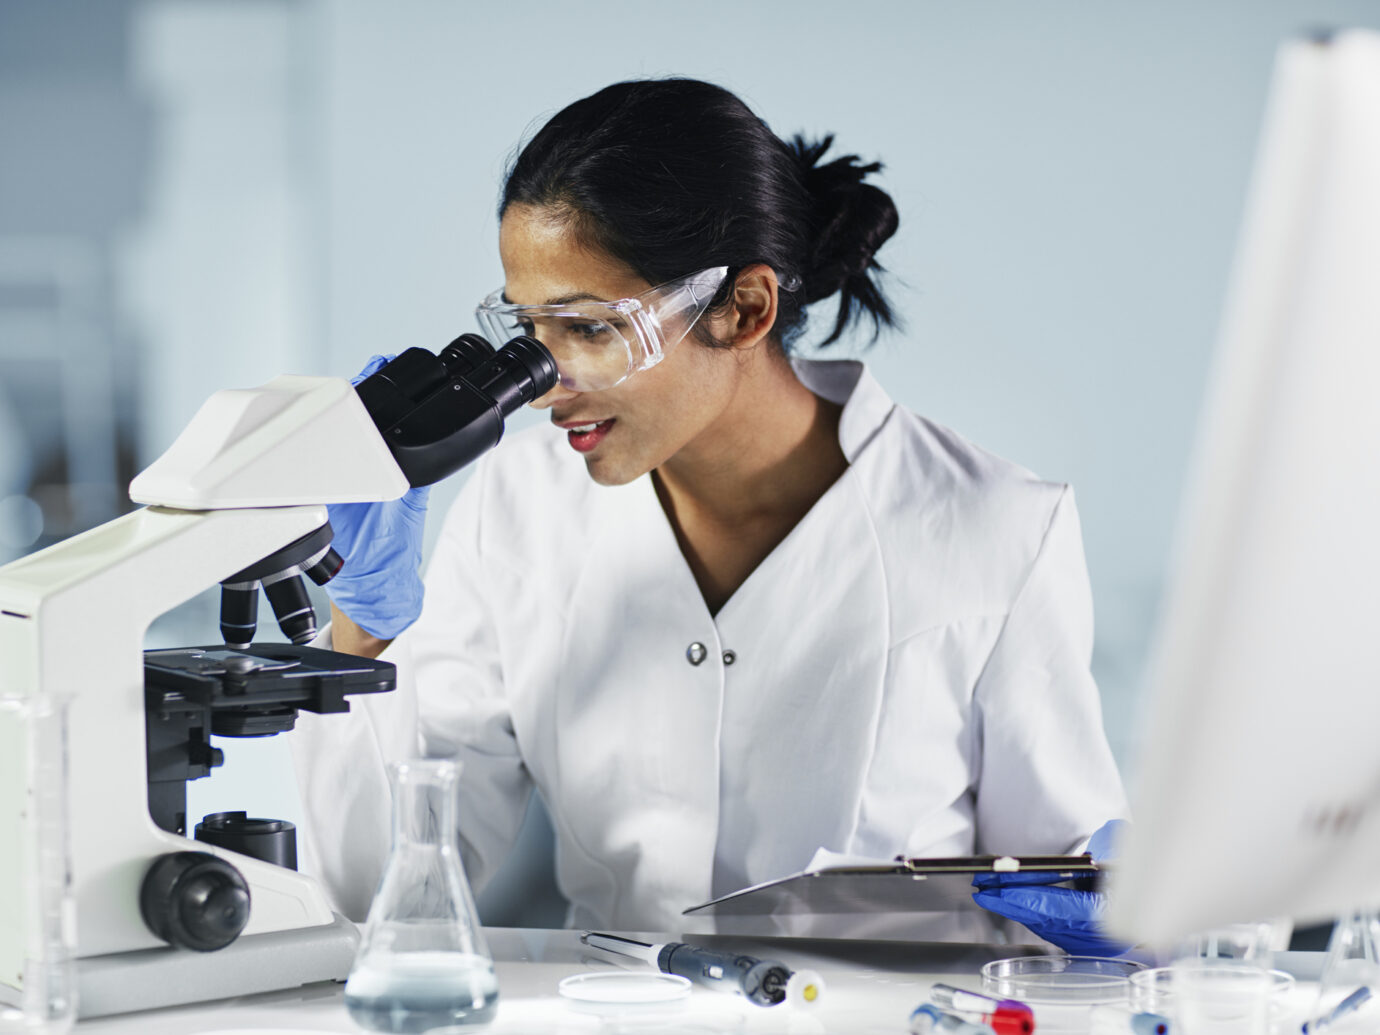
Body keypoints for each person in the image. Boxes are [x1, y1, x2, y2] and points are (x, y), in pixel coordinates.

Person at [292, 77, 1128, 951]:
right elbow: (379, 890)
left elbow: (1062, 909)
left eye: (590, 328)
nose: (547, 387)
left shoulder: (996, 527)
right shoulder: (520, 506)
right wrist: (363, 630)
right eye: (531, 330)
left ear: (745, 308)